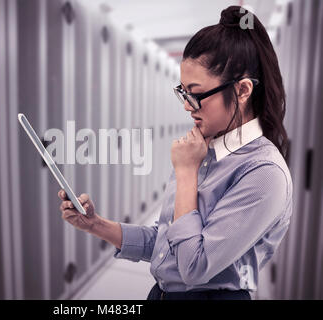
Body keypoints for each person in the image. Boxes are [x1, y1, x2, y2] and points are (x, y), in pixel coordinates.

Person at [58, 5, 293, 300]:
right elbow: (168, 242)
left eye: (195, 93)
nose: (186, 105)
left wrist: (185, 173)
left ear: (243, 91)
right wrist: (96, 225)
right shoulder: (203, 149)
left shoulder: (263, 173)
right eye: (182, 92)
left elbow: (193, 266)